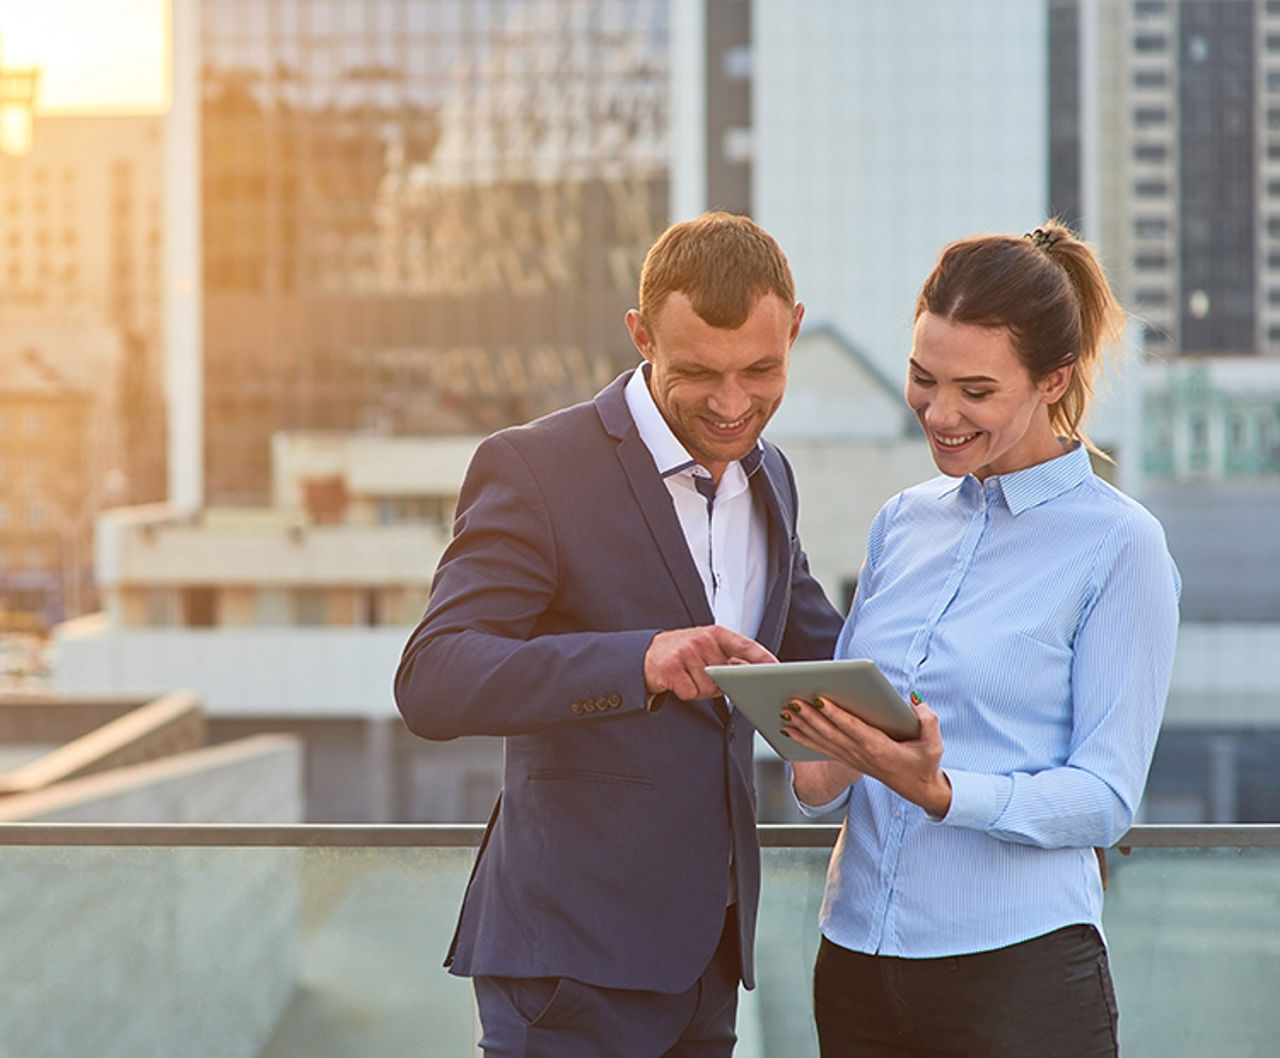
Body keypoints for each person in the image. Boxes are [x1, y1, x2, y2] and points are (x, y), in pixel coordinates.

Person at [395, 211, 843, 1058]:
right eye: (699, 372)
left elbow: (819, 646)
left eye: (760, 368)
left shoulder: (770, 474)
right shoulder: (536, 468)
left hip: (708, 963)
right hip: (569, 967)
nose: (732, 402)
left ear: (794, 329)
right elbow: (434, 678)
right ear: (640, 336)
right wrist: (637, 661)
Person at [781, 220, 1181, 1058]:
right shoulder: (901, 523)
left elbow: (1105, 799)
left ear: (1052, 379)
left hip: (1018, 980)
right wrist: (801, 721)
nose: (940, 412)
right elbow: (820, 786)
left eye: (975, 390)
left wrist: (944, 792)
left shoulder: (1118, 545)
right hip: (855, 962)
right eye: (924, 380)